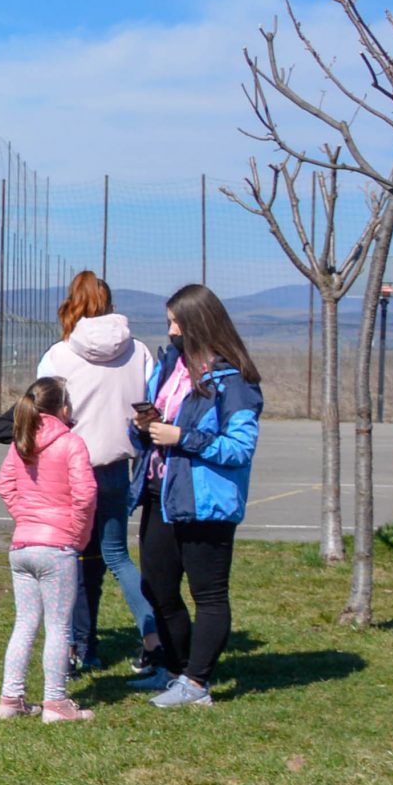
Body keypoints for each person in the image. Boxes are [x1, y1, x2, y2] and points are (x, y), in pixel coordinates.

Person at [137, 284, 263, 708]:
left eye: (176, 322)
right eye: (169, 321)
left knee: (208, 594)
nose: (170, 330)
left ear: (198, 325)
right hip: (160, 492)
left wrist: (182, 437)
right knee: (158, 587)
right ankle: (174, 671)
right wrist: (145, 427)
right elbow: (161, 419)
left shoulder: (235, 382)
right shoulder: (170, 367)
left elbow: (239, 448)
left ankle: (197, 683)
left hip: (205, 502)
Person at [36, 271, 162, 677]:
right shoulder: (138, 351)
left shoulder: (59, 354)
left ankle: (72, 648)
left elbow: (42, 408)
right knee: (118, 557)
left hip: (70, 470)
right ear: (109, 303)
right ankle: (153, 636)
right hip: (115, 469)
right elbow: (153, 401)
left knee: (68, 558)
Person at [0, 377, 98, 722]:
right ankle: (56, 702)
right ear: (63, 409)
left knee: (25, 623)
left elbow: (5, 485)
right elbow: (85, 495)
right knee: (58, 626)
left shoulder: (21, 441)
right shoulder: (72, 443)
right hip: (56, 546)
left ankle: (11, 698)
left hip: (22, 545)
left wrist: (24, 517)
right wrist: (76, 534)